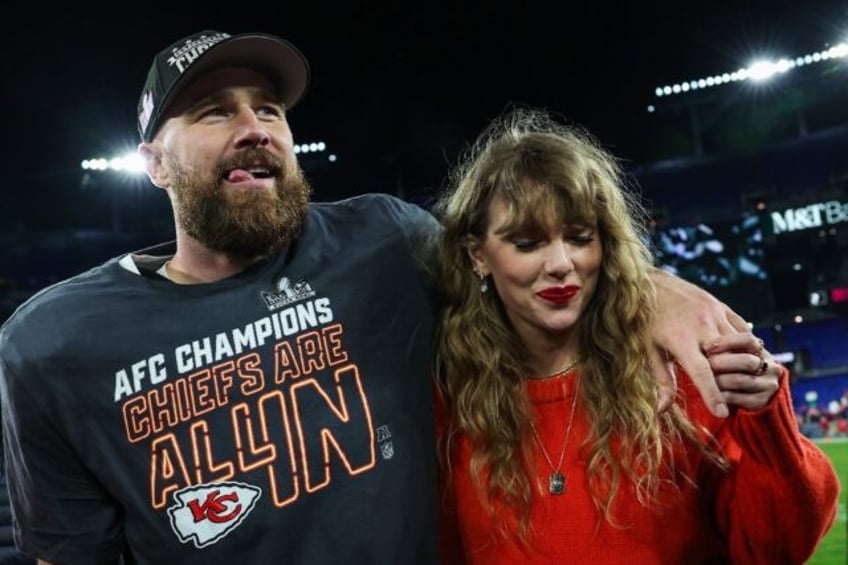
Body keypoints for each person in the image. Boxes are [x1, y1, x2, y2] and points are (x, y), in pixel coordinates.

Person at [0, 30, 760, 564]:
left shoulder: (384, 241)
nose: (253, 126)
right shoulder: (56, 342)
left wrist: (655, 287)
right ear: (153, 164)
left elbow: (531, 261)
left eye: (268, 107)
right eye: (213, 111)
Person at [432, 107, 841, 563]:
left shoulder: (679, 373)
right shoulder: (449, 399)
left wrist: (766, 416)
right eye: (528, 243)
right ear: (477, 256)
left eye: (580, 236)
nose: (562, 263)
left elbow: (777, 549)